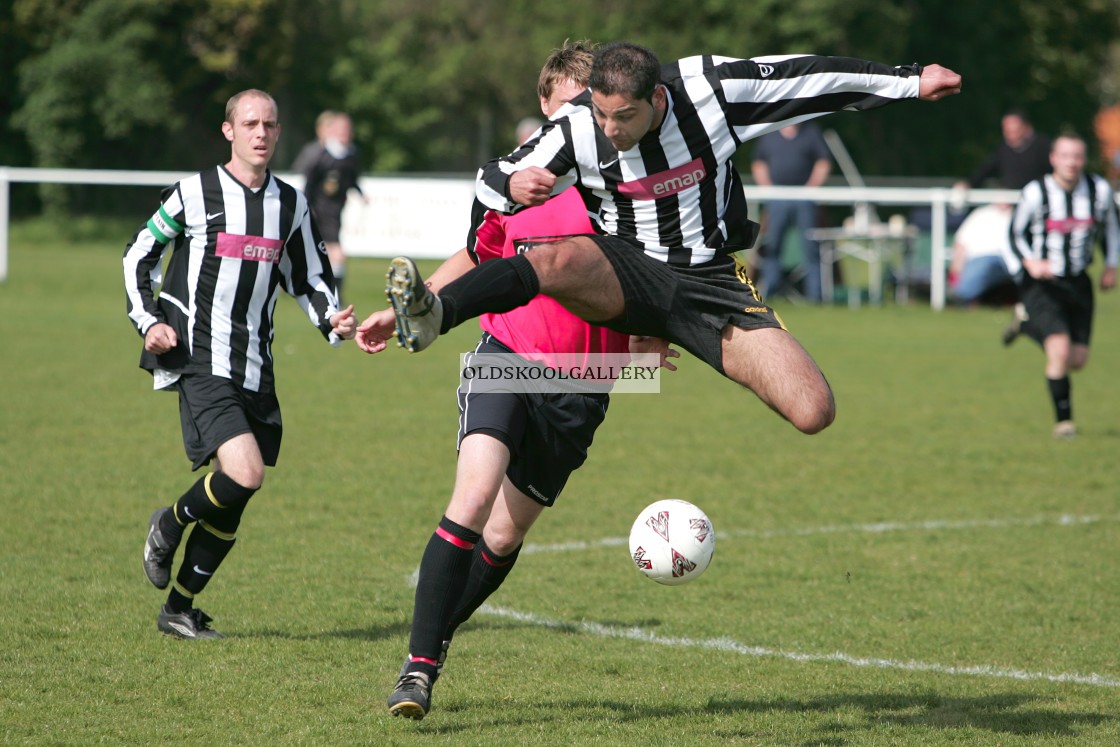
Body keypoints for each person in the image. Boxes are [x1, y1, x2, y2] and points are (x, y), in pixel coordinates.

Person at [378, 43, 962, 438]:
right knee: (550, 257)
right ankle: (437, 315)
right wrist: (514, 180)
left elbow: (807, 78)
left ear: (657, 98)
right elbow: (491, 177)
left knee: (813, 411)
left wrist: (908, 82)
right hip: (625, 267)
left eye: (623, 117)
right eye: (601, 114)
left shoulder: (711, 93)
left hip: (708, 280)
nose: (610, 130)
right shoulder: (580, 125)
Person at [356, 40, 677, 721]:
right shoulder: (520, 188)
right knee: (471, 501)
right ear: (545, 105)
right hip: (507, 356)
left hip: (586, 385)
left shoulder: (635, 194)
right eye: (570, 107)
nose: (584, 128)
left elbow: (660, 283)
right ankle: (417, 669)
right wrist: (410, 307)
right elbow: (475, 252)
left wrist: (653, 338)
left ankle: (431, 638)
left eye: (594, 111)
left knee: (503, 538)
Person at [124, 89, 357, 639]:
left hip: (256, 365)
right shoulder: (194, 193)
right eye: (250, 123)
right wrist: (149, 320)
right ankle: (169, 521)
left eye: (270, 124)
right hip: (198, 357)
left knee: (236, 494)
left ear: (279, 132)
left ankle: (178, 608)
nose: (261, 133)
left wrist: (332, 320)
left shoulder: (291, 203)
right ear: (229, 131)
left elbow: (309, 278)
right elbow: (139, 254)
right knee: (244, 472)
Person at [1002, 133, 1118, 439]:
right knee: (1060, 352)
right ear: (1054, 158)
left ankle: (1026, 325)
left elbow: (1113, 228)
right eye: (1065, 156)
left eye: (1077, 156)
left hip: (1079, 282)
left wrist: (1110, 265)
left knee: (1077, 360)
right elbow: (1014, 235)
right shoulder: (1036, 192)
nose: (1072, 162)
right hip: (1043, 283)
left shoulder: (1099, 190)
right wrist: (1029, 263)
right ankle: (1064, 423)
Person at [751, 122, 832, 302]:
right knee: (772, 246)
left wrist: (811, 187)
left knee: (811, 246)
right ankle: (769, 291)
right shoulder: (769, 135)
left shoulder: (811, 133)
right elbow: (759, 163)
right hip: (776, 198)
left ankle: (815, 295)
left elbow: (823, 162)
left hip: (804, 198)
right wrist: (767, 188)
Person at [292, 110, 365, 302]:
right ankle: (335, 295)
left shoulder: (350, 154)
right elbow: (308, 181)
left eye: (347, 129)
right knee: (336, 254)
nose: (344, 132)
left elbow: (352, 178)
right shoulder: (321, 153)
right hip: (319, 210)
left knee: (321, 252)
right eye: (340, 129)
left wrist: (360, 193)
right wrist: (308, 206)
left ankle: (320, 288)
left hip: (335, 211)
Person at [959, 109, 1051, 191]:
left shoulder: (1043, 147)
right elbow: (985, 170)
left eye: (1015, 131)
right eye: (1007, 132)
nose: (1011, 136)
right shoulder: (1003, 149)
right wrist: (968, 184)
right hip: (1006, 203)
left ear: (1027, 128)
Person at [948, 202, 1017, 305]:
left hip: (1010, 258)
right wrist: (955, 270)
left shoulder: (1017, 214)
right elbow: (960, 243)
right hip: (981, 258)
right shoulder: (981, 213)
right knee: (966, 289)